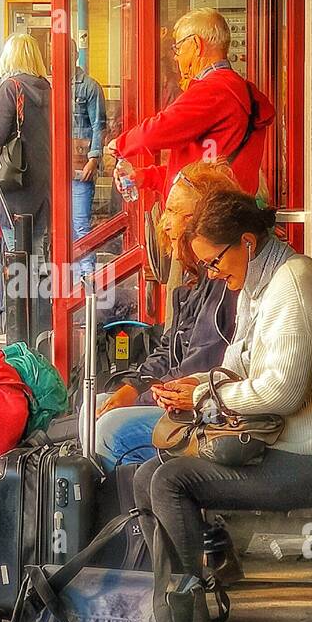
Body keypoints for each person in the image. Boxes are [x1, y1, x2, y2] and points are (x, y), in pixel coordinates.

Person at [132, 183, 312, 576]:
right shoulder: (258, 284)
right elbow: (237, 364)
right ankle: (202, 580)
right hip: (284, 447)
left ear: (247, 243)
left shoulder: (294, 287)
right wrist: (198, 385)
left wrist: (206, 398)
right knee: (146, 476)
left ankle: (182, 613)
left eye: (214, 261)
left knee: (170, 482)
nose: (212, 272)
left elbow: (282, 392)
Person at [93, 163, 238, 470]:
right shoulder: (194, 276)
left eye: (173, 210)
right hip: (176, 396)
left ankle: (134, 511)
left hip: (204, 409)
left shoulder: (224, 281)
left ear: (201, 219)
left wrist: (142, 396)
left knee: (107, 429)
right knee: (92, 408)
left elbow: (199, 365)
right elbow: (168, 346)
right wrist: (133, 385)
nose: (165, 222)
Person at [104, 8, 274, 201]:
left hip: (205, 219)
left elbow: (161, 128)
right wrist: (144, 177)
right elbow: (195, 172)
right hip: (221, 211)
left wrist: (120, 144)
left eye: (178, 48)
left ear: (196, 44)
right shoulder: (237, 89)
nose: (175, 57)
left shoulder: (214, 90)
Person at [0, 33, 51, 342]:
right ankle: (40, 326)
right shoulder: (48, 89)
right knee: (38, 260)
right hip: (43, 187)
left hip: (14, 188)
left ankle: (17, 330)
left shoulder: (10, 89)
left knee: (15, 259)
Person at [71, 38, 107, 281]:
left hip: (79, 166)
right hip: (58, 168)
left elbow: (99, 125)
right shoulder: (51, 86)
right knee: (64, 228)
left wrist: (94, 159)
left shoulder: (89, 87)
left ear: (74, 54)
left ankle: (87, 280)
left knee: (81, 224)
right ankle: (74, 279)